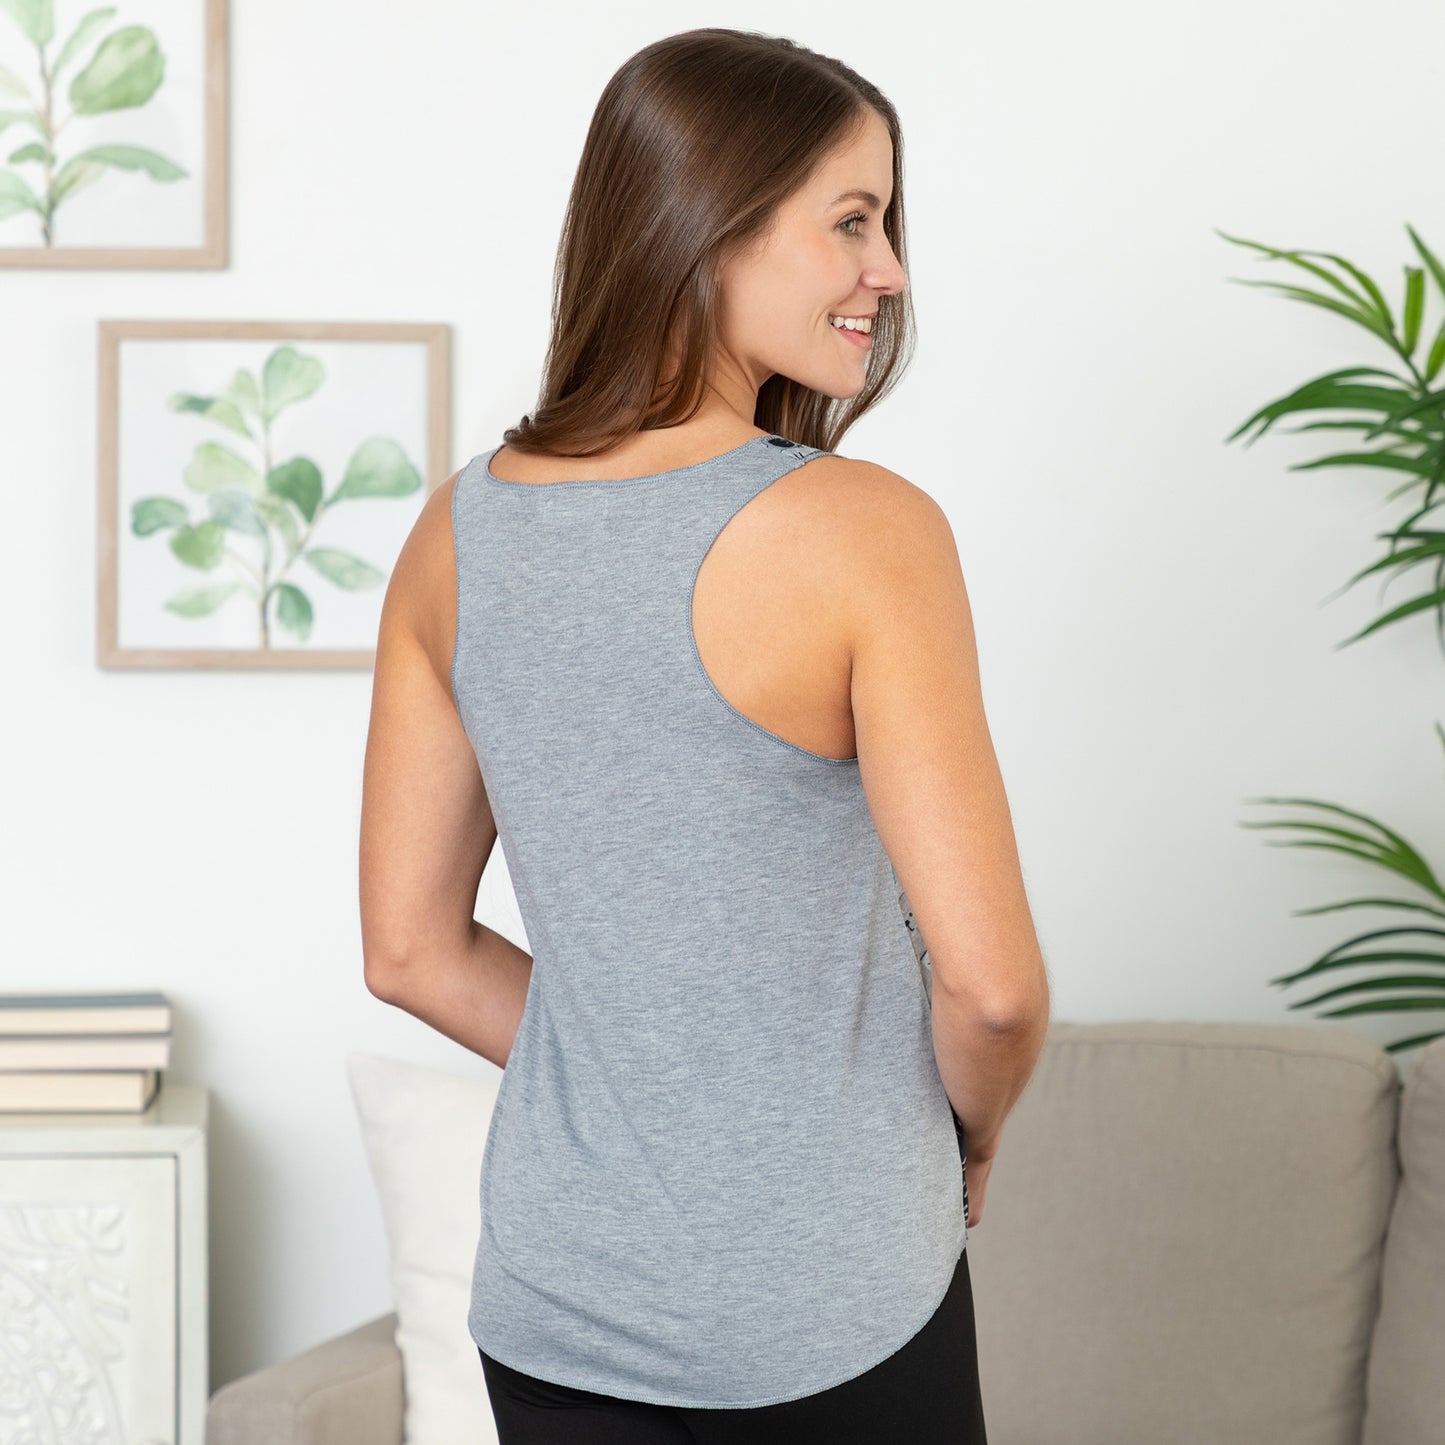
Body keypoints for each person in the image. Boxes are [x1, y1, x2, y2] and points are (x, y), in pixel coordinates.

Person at [358, 26, 1051, 1445]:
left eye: (889, 222)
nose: (891, 269)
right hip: (830, 1289)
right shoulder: (863, 534)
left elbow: (409, 949)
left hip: (554, 1302)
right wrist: (958, 1129)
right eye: (850, 220)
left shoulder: (454, 535)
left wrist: (648, 1061)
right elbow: (989, 993)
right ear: (707, 223)